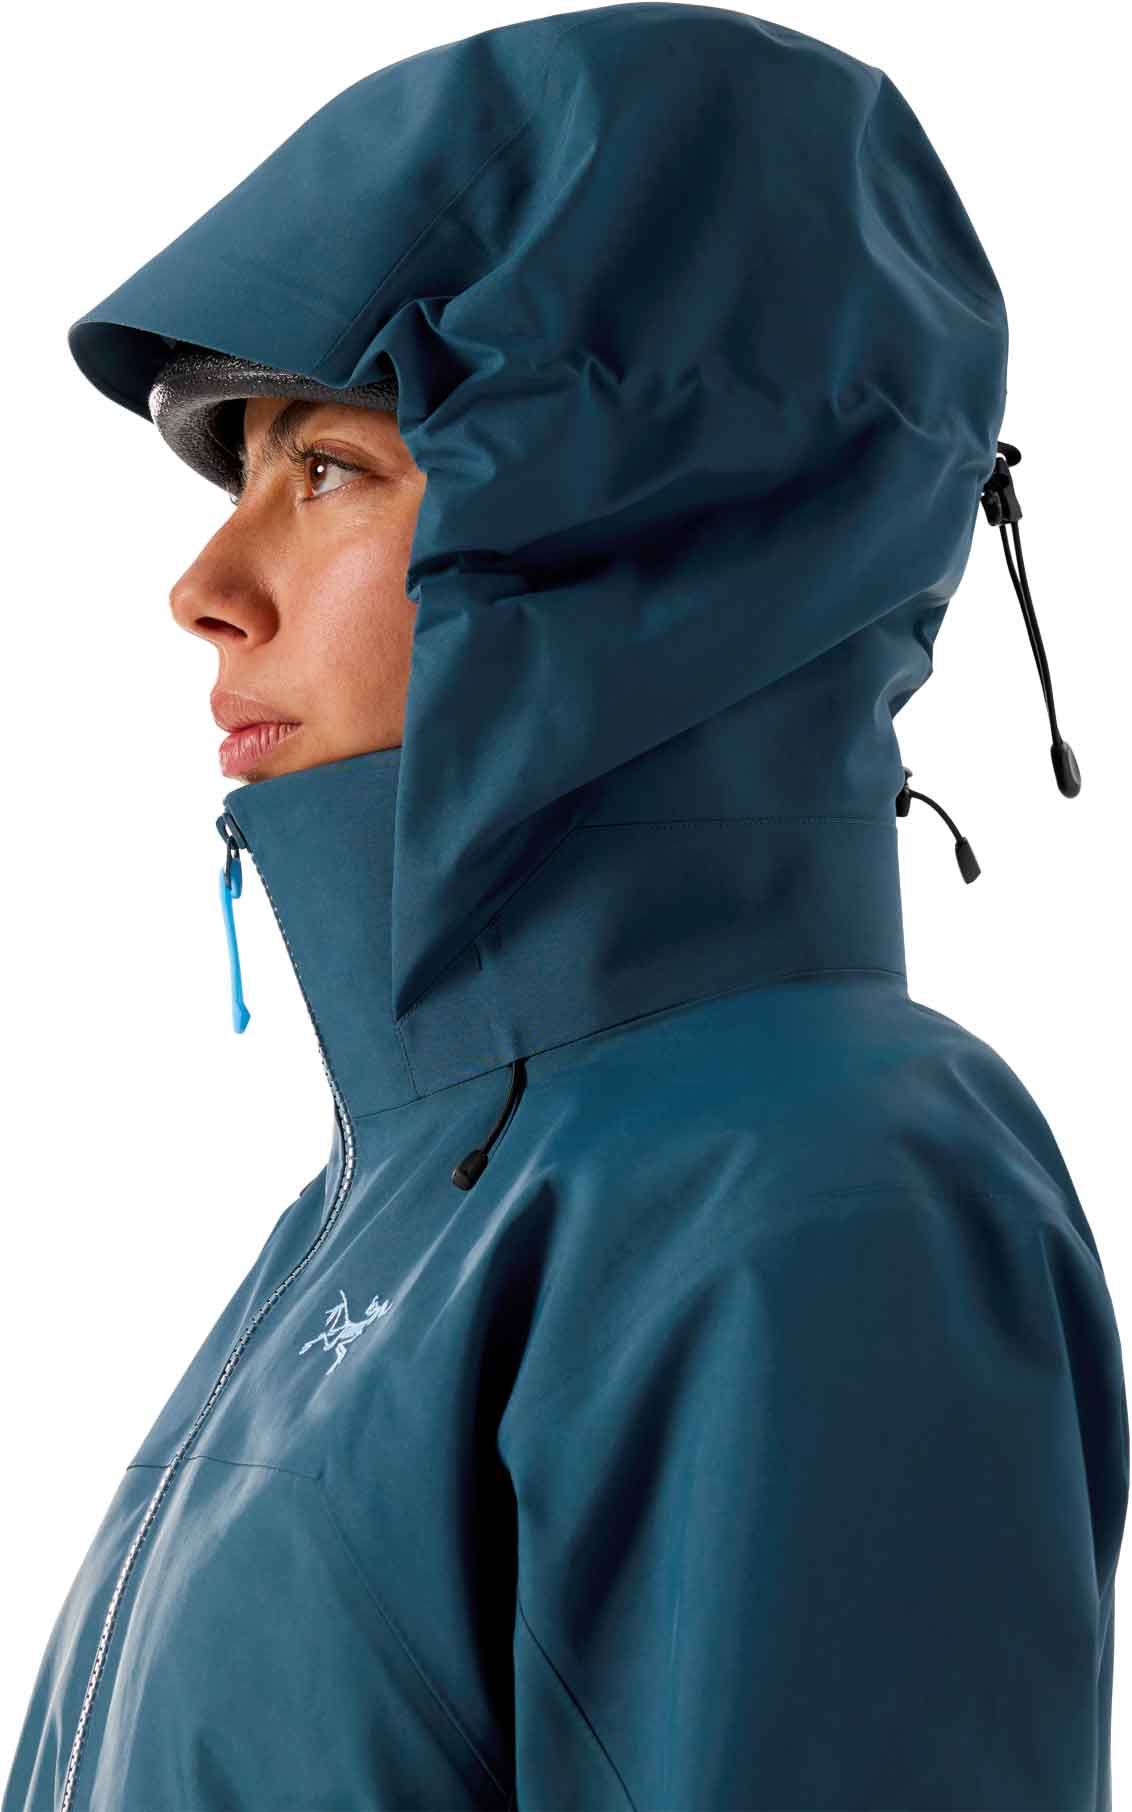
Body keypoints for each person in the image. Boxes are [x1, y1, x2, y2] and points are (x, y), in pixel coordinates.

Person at [4, 5, 1128, 1810]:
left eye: (330, 467)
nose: (206, 584)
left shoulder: (817, 1197)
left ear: (639, 536)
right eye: (246, 473)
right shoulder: (406, 1211)